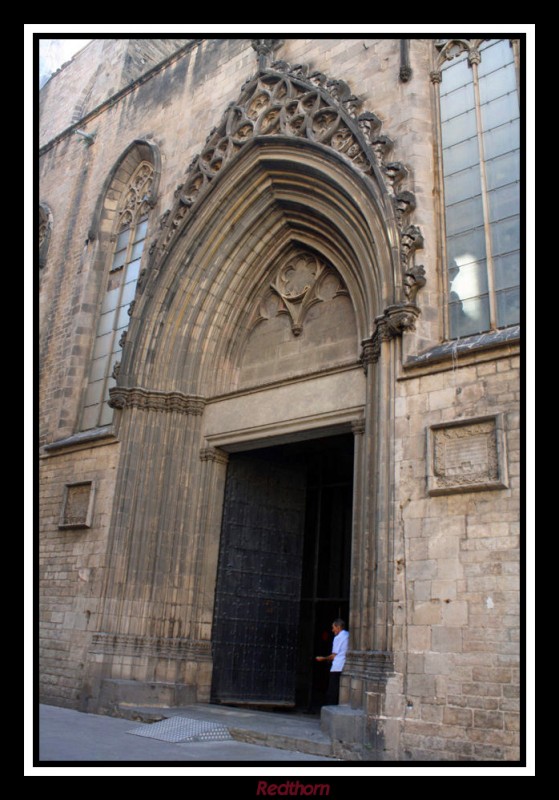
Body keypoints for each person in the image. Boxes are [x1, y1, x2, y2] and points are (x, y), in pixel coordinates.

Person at [315, 619, 349, 705]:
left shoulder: (338, 638)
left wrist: (322, 658)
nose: (332, 630)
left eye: (333, 628)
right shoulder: (347, 635)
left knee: (332, 689)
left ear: (338, 627)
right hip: (345, 665)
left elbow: (334, 656)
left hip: (337, 666)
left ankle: (331, 706)